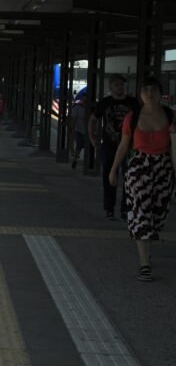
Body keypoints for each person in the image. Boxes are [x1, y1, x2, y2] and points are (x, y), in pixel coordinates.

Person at [108, 77, 175, 282]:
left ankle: (147, 244)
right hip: (139, 167)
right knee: (140, 211)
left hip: (164, 168)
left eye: (153, 89)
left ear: (160, 92)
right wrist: (114, 170)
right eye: (145, 90)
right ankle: (144, 262)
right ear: (140, 94)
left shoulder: (171, 115)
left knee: (158, 213)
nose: (149, 93)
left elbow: (175, 149)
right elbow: (123, 145)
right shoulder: (133, 117)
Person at [89, 75, 139, 220]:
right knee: (109, 177)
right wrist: (92, 137)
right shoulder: (105, 103)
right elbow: (92, 119)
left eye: (122, 85)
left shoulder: (133, 103)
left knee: (128, 178)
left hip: (129, 146)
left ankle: (125, 208)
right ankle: (109, 209)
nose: (120, 87)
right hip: (109, 146)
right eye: (117, 85)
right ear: (111, 87)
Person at [68, 96, 86, 169]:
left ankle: (75, 160)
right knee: (79, 146)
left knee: (79, 146)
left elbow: (73, 118)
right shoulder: (78, 107)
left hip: (83, 130)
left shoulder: (78, 107)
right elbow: (73, 119)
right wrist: (72, 128)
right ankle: (75, 160)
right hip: (80, 130)